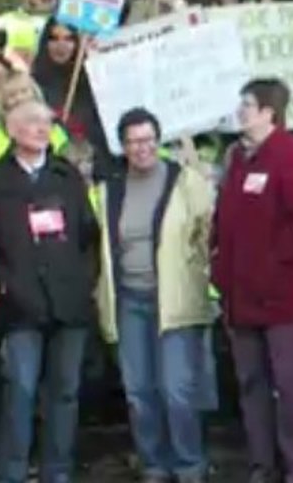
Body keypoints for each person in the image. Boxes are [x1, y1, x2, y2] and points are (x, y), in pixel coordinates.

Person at [0, 99, 98, 483]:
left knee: (65, 393)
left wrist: (83, 281)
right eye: (31, 123)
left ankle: (58, 471)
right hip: (20, 306)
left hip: (68, 304)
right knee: (20, 393)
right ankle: (12, 471)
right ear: (12, 130)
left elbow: (89, 235)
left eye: (46, 122)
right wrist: (3, 285)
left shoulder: (66, 176)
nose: (42, 129)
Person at [95, 108, 218, 483]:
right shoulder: (108, 189)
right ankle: (153, 464)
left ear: (159, 140)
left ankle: (189, 463)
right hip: (129, 300)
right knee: (138, 390)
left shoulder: (186, 181)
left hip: (176, 299)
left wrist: (206, 284)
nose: (141, 148)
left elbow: (209, 234)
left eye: (148, 140)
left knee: (177, 389)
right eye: (132, 142)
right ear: (122, 146)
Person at [213, 79, 293, 483]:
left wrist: (271, 266)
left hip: (281, 297)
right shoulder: (239, 159)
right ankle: (263, 463)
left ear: (268, 112)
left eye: (247, 104)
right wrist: (220, 266)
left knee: (291, 387)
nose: (240, 110)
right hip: (241, 298)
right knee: (251, 383)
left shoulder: (290, 155)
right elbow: (226, 220)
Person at [32, 21, 107, 156]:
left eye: (68, 39)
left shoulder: (93, 84)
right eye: (54, 38)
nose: (61, 46)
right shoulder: (31, 87)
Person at [0, 73, 70, 164]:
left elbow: (65, 155)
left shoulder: (53, 122)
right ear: (2, 102)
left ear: (34, 92)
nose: (20, 98)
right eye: (12, 95)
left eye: (24, 91)